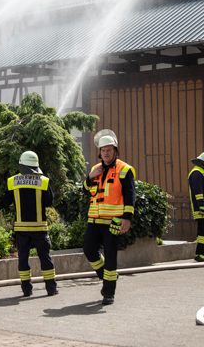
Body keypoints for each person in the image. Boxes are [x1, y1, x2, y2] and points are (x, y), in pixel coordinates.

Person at [82, 129, 135, 305]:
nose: (106, 153)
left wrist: (127, 218)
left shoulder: (125, 169)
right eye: (103, 150)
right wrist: (89, 178)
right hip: (94, 220)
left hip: (114, 220)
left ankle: (108, 292)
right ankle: (107, 276)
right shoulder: (95, 170)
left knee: (111, 256)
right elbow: (86, 190)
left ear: (115, 151)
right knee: (89, 250)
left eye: (109, 150)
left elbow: (130, 195)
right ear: (100, 152)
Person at [6, 150, 57, 297]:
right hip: (40, 228)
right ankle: (51, 289)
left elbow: (5, 201)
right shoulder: (44, 181)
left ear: (21, 165)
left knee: (23, 259)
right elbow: (49, 202)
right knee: (45, 258)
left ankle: (26, 289)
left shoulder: (12, 181)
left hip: (21, 229)